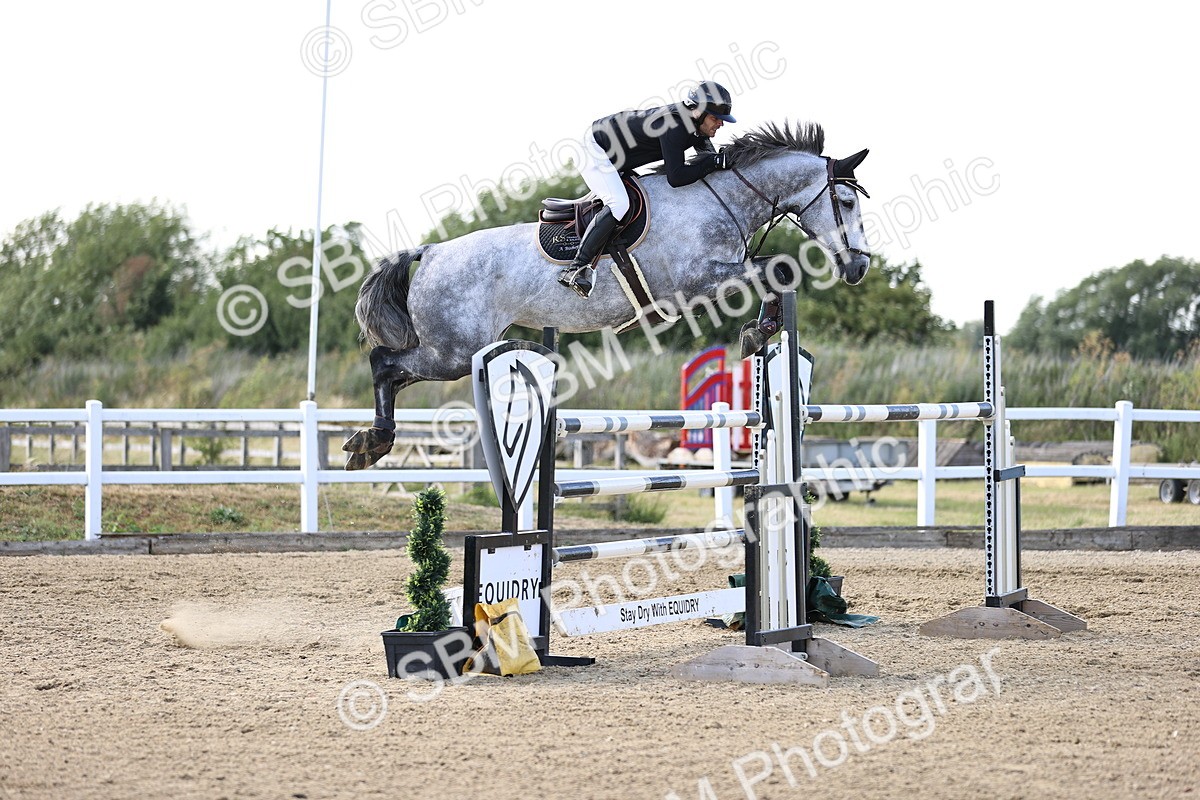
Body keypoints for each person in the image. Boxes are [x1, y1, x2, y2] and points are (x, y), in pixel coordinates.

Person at [557, 81, 736, 298]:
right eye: (715, 118)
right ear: (697, 112)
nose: (720, 124)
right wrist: (713, 163)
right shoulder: (675, 126)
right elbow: (676, 177)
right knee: (620, 204)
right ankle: (576, 268)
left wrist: (720, 161)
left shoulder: (694, 125)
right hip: (594, 148)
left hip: (617, 156)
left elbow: (708, 158)